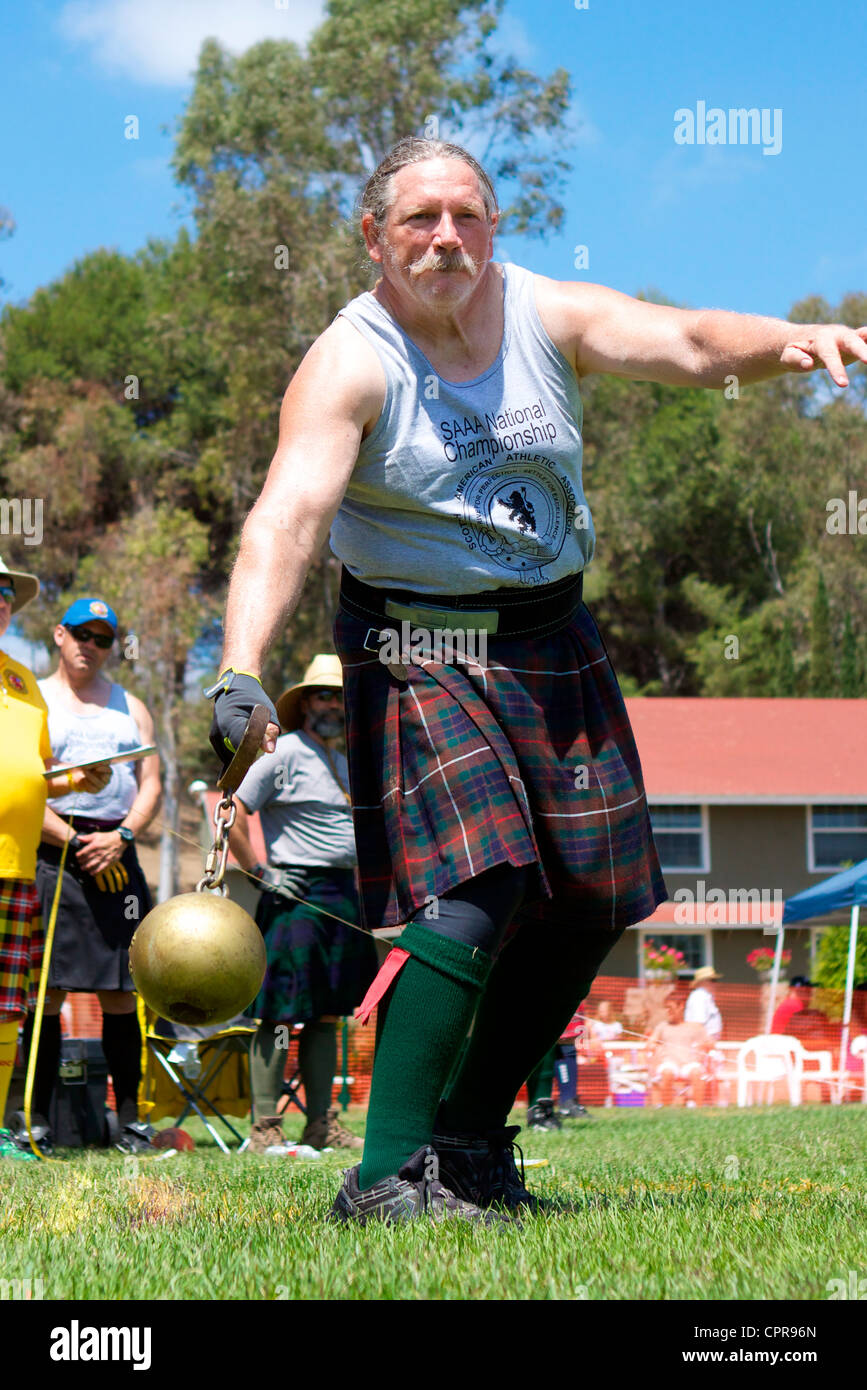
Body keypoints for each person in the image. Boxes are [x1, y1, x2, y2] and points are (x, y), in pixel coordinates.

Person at [206, 137, 867, 1224]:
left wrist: (791, 339)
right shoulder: (352, 358)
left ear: (494, 225)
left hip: (550, 635)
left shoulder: (541, 314)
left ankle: (468, 1145)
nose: (446, 237)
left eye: (467, 214)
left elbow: (692, 343)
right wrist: (240, 662)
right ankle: (383, 1176)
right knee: (479, 887)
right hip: (416, 643)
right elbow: (287, 517)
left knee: (596, 897)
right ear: (375, 236)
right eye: (418, 219)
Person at [23, 597, 161, 1155]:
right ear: (59, 634)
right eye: (81, 634)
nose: (91, 646)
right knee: (47, 994)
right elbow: (21, 782)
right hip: (55, 853)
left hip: (117, 854)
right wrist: (72, 839)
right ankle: (32, 1121)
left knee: (123, 993)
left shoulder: (132, 706)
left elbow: (151, 781)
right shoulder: (31, 699)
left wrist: (123, 836)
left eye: (103, 639)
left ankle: (130, 1122)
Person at [226, 654, 377, 1153]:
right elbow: (233, 812)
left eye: (340, 695)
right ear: (306, 703)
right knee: (276, 1013)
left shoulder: (348, 759)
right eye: (324, 694)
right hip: (291, 894)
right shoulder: (282, 752)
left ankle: (321, 1124)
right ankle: (265, 1127)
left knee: (328, 1013)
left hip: (342, 895)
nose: (334, 703)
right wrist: (260, 874)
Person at [0, 560, 110, 1157]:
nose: (0, 600)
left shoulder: (21, 682)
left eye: (5, 593)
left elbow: (32, 778)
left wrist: (76, 784)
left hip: (17, 866)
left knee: (5, 1009)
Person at [647, 992, 713, 1107]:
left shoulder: (695, 1027)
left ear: (681, 1006)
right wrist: (653, 1046)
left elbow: (710, 1043)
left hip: (689, 1064)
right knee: (667, 1072)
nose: (668, 1011)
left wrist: (702, 1046)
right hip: (669, 1063)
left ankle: (699, 1108)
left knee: (697, 1073)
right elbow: (650, 1043)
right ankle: (666, 1108)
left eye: (671, 1008)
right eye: (666, 1008)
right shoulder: (662, 1026)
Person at [684, 965, 723, 1040]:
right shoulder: (699, 997)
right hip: (702, 1044)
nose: (715, 983)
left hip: (707, 1043)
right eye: (712, 980)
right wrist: (704, 1043)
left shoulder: (705, 996)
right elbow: (697, 1024)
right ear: (703, 981)